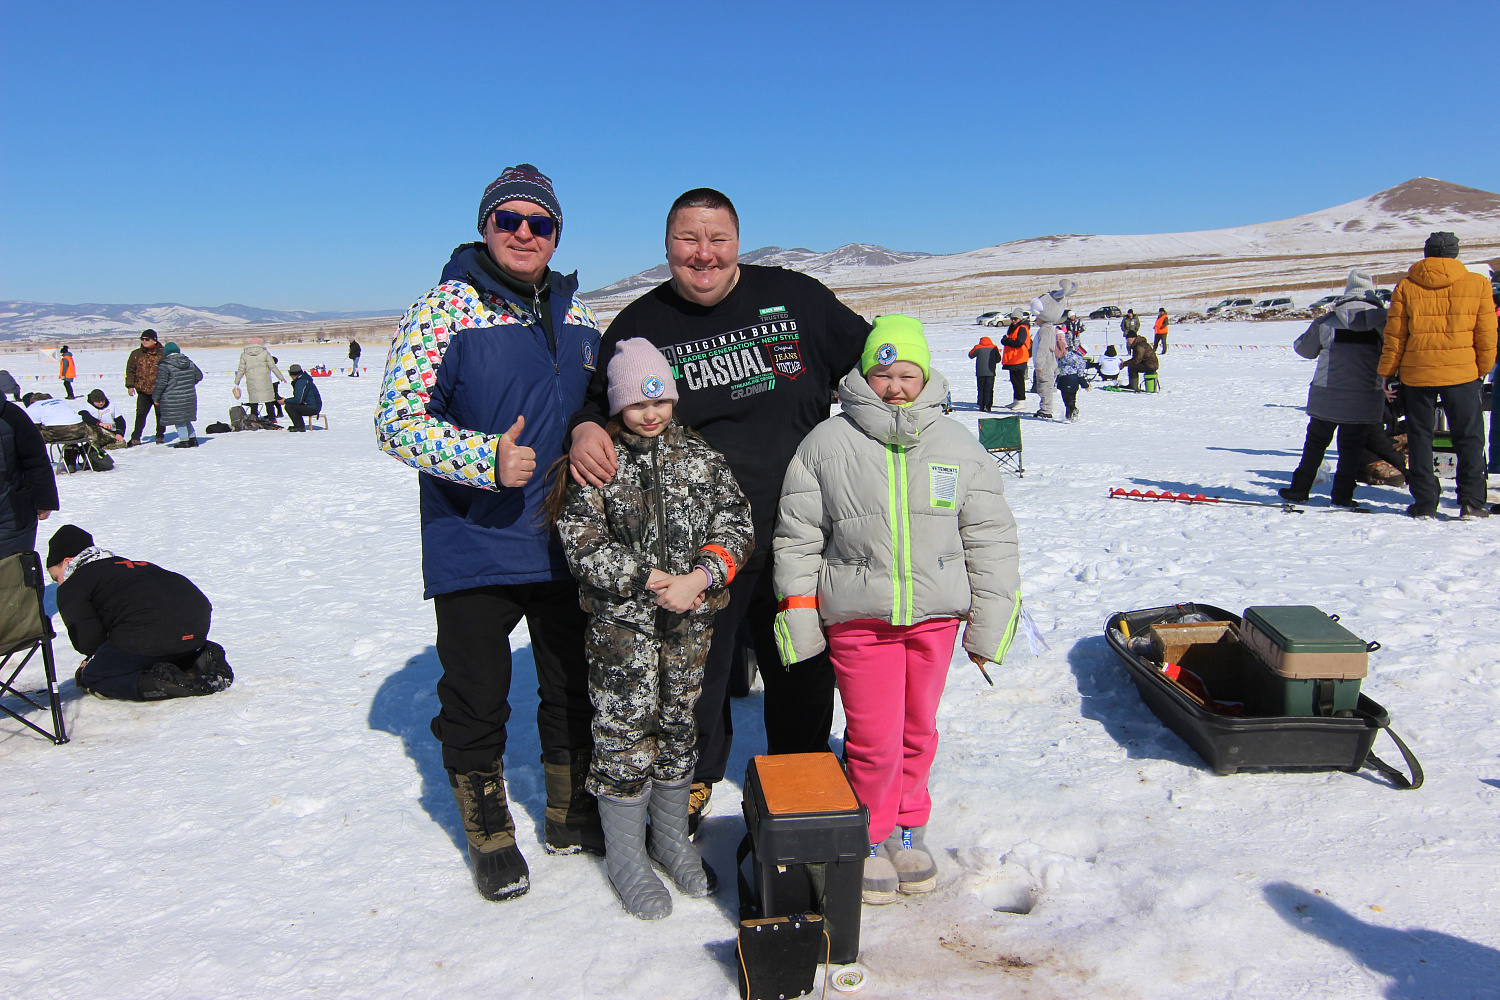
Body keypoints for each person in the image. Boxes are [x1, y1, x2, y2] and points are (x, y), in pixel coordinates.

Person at [566, 187, 869, 836]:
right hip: (697, 547)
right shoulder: (642, 323)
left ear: (737, 242)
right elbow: (598, 402)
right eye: (687, 239)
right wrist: (586, 427)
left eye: (717, 239)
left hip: (800, 534)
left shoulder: (796, 298)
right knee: (696, 676)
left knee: (800, 667)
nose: (702, 254)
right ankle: (693, 780)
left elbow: (874, 365)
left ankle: (800, 776)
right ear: (667, 245)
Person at [375, 163, 603, 902]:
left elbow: (598, 405)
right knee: (476, 697)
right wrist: (482, 458)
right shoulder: (442, 310)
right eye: (509, 220)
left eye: (540, 223)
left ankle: (569, 812)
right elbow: (397, 421)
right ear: (485, 226)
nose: (524, 234)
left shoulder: (578, 314)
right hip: (475, 540)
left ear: (556, 234)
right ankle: (490, 831)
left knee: (570, 685)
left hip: (566, 540)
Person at [771, 315, 1021, 904]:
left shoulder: (957, 445)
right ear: (864, 375)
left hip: (935, 619)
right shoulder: (826, 444)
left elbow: (990, 537)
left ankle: (910, 827)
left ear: (926, 375)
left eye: (908, 373)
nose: (895, 387)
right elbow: (797, 538)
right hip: (860, 621)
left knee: (918, 730)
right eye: (883, 375)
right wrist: (799, 619)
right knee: (872, 737)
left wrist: (990, 623)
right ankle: (870, 831)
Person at [548, 339, 753, 919]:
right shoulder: (601, 461)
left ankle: (669, 839)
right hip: (622, 631)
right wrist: (645, 578)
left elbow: (737, 523)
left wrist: (701, 575)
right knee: (624, 731)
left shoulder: (701, 457)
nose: (651, 414)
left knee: (679, 722)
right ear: (618, 406)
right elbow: (582, 541)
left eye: (660, 401)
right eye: (638, 403)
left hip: (690, 625)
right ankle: (626, 855)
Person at [1377, 232, 1497, 519]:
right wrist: (1481, 369)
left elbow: (1395, 336)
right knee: (1469, 437)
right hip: (1463, 373)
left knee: (1420, 438)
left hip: (1417, 374)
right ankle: (1471, 502)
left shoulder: (1406, 285)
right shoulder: (1478, 283)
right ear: (1455, 253)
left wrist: (1387, 372)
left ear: (1426, 252)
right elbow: (1487, 334)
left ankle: (1425, 503)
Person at [46, 524, 232, 701]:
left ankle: (159, 683)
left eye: (56, 577)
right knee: (153, 647)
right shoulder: (129, 565)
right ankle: (198, 658)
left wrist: (94, 662)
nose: (58, 583)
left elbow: (88, 642)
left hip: (149, 632)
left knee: (93, 677)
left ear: (67, 562)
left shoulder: (73, 584)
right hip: (196, 625)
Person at [1279, 271, 1393, 509]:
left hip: (1327, 397)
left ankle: (1299, 490)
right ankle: (1342, 496)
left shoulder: (1328, 321)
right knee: (1351, 450)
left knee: (1315, 446)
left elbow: (1304, 350)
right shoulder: (1384, 324)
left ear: (1347, 293)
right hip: (1366, 398)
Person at [0, 398, 57, 559]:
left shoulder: (10, 415)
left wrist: (45, 500)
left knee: (12, 570)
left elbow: (35, 458)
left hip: (10, 515)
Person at [1029, 280, 1077, 420]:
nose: (1036, 320)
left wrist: (1039, 364)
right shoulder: (1051, 328)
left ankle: (1046, 409)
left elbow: (1043, 349)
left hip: (1046, 365)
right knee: (1047, 386)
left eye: (1037, 317)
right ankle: (1046, 408)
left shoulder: (1045, 330)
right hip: (1051, 363)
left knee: (1044, 387)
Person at [152, 342, 204, 449]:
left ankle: (184, 441)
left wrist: (156, 397)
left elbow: (161, 383)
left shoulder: (165, 365)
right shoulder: (188, 362)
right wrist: (188, 384)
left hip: (172, 397)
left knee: (179, 420)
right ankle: (193, 439)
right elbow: (199, 376)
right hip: (189, 395)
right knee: (186, 418)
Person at [124, 329, 166, 445]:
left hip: (159, 391)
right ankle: (135, 437)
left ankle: (160, 435)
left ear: (154, 340)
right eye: (142, 339)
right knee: (140, 415)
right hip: (142, 390)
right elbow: (130, 371)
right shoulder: (136, 354)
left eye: (147, 339)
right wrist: (130, 386)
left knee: (160, 414)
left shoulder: (163, 353)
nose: (144, 341)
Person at [234, 340, 285, 422]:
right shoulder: (265, 352)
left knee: (254, 401)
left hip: (252, 381)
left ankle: (254, 419)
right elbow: (272, 366)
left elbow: (241, 369)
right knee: (269, 400)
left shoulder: (244, 354)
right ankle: (272, 418)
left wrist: (237, 381)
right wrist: (280, 377)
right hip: (265, 380)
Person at [1055, 320, 1089, 422]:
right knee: (1072, 398)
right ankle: (1072, 412)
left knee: (1066, 399)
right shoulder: (1080, 360)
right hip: (1074, 379)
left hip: (1064, 378)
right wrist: (1085, 385)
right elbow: (1080, 374)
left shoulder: (1065, 354)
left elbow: (1058, 366)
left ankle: (1069, 414)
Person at [999, 309, 1031, 410]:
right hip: (1013, 358)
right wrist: (1005, 340)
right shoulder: (1014, 328)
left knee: (1019, 381)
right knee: (1014, 380)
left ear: (1020, 319)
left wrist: (1006, 341)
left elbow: (1019, 343)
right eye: (1012, 319)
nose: (1013, 321)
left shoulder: (1022, 328)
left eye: (1015, 319)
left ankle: (1021, 401)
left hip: (1019, 358)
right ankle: (1016, 400)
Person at [283, 364, 323, 431]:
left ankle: (299, 427)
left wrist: (285, 401)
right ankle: (298, 425)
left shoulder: (301, 382)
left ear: (293, 375)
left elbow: (298, 400)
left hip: (312, 408)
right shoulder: (303, 379)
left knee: (289, 406)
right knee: (291, 404)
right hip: (312, 405)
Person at [967, 335, 1000, 411]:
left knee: (981, 389)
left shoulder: (978, 348)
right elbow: (998, 359)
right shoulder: (994, 348)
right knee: (989, 389)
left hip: (980, 372)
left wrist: (975, 347)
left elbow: (971, 355)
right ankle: (988, 405)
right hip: (991, 372)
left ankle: (981, 406)